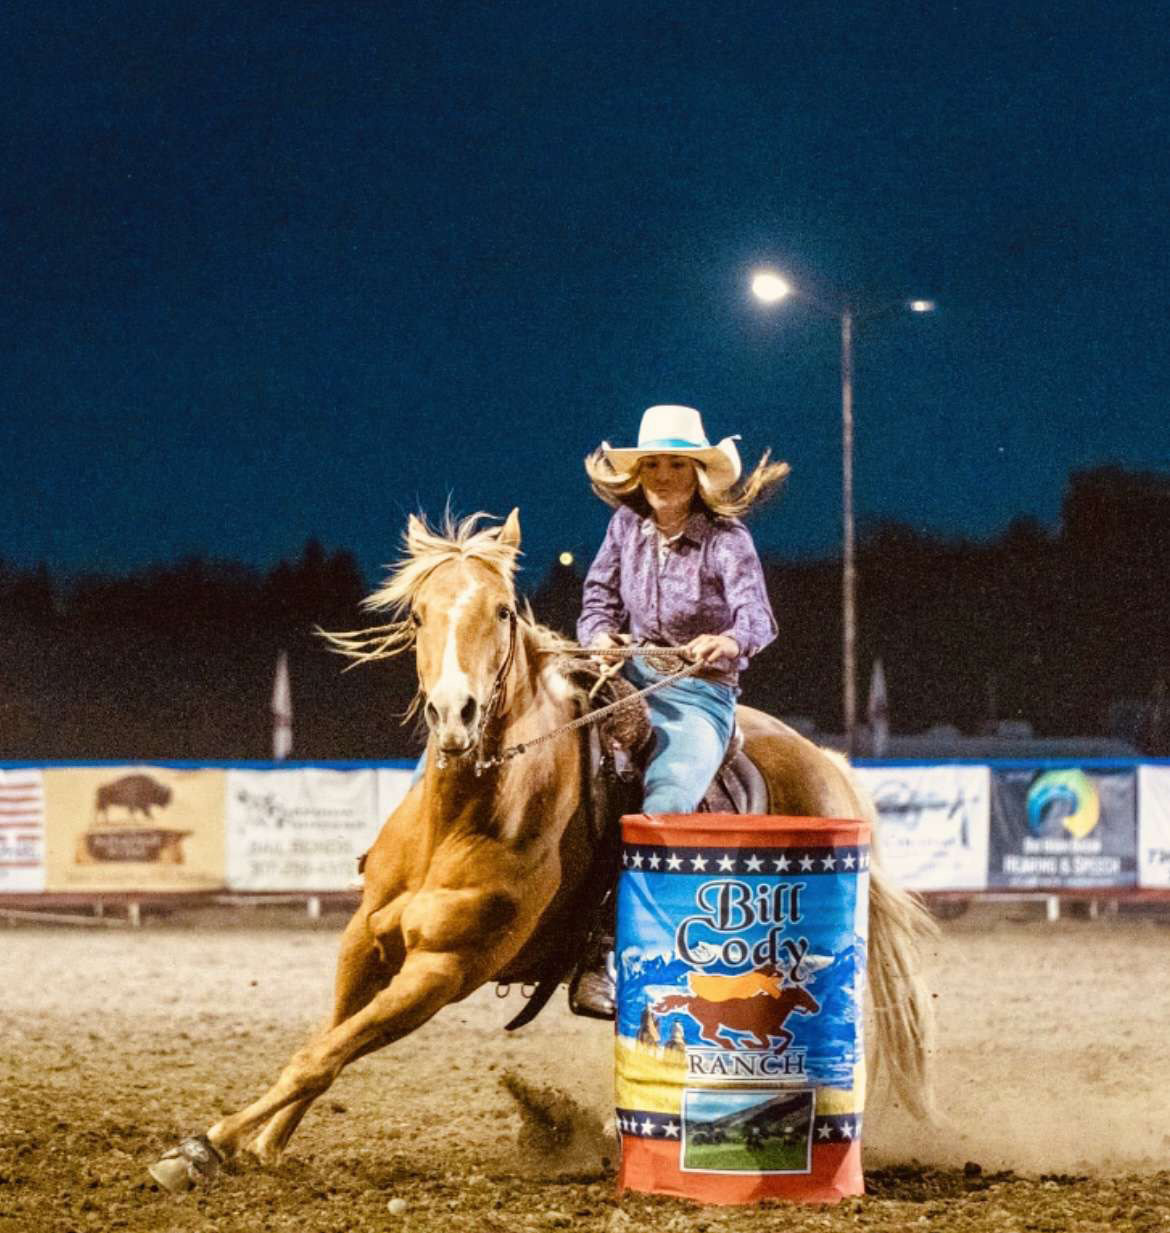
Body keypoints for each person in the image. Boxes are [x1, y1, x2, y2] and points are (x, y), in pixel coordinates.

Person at [570, 403, 788, 1015]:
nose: (664, 476)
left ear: (697, 473)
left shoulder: (727, 538)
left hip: (698, 692)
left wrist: (728, 641)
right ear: (637, 473)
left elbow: (757, 617)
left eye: (676, 464)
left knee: (666, 800)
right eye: (654, 465)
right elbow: (597, 599)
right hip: (623, 673)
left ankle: (607, 955)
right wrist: (598, 635)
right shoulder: (625, 527)